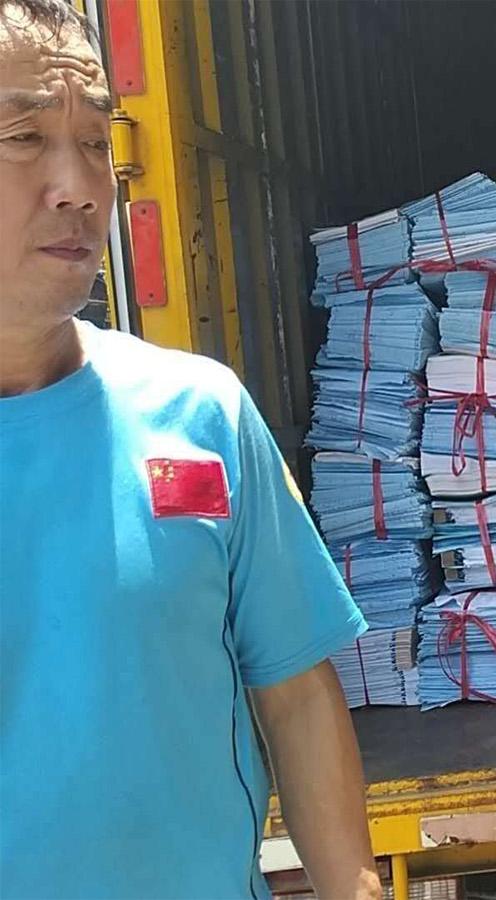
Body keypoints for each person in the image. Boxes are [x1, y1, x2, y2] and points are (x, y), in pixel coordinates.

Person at [0, 1, 380, 895]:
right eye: (23, 137)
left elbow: (296, 694)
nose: (78, 186)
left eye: (96, 142)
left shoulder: (199, 414)